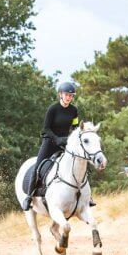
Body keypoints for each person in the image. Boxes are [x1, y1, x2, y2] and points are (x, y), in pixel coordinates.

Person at [22, 82, 96, 211]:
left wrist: (73, 139)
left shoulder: (74, 110)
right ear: (60, 95)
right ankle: (28, 197)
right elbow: (46, 128)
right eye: (67, 95)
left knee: (80, 162)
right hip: (49, 142)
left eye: (71, 96)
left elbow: (74, 127)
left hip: (65, 142)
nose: (69, 97)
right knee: (38, 167)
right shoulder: (53, 109)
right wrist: (57, 139)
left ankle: (87, 196)